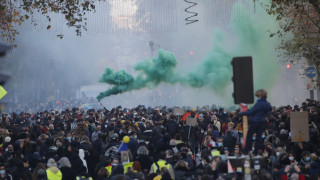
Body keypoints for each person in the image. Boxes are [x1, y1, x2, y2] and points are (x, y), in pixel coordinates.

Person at [240, 89, 271, 155]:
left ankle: (246, 150)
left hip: (255, 121)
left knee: (249, 136)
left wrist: (242, 113)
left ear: (260, 96)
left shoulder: (258, 104)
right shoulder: (267, 104)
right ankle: (255, 152)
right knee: (258, 138)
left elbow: (251, 111)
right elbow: (268, 111)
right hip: (262, 122)